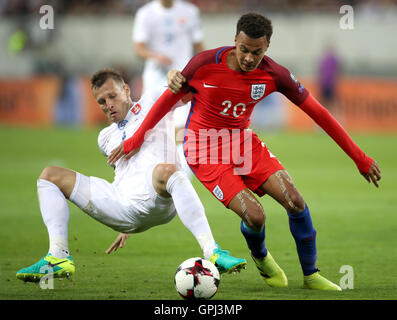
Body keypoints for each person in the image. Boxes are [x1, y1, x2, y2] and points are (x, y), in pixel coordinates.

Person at [108, 13, 382, 291]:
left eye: (257, 52)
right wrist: (135, 140)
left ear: (267, 47)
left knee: (295, 200)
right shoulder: (204, 64)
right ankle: (261, 257)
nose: (249, 58)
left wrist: (360, 158)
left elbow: (320, 114)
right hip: (204, 151)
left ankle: (311, 276)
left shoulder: (276, 74)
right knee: (255, 215)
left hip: (242, 143)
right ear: (235, 40)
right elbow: (166, 102)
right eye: (244, 50)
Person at [15, 69, 246, 282]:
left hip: (160, 195)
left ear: (126, 89)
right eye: (101, 102)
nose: (108, 105)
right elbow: (126, 174)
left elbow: (192, 86)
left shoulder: (153, 100)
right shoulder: (105, 138)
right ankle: (58, 256)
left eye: (112, 96)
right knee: (49, 176)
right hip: (122, 204)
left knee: (167, 170)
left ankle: (212, 252)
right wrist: (125, 226)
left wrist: (174, 75)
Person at [133, 0, 204, 179]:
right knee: (152, 129)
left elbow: (198, 46)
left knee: (181, 129)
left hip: (183, 78)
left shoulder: (190, 11)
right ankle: (151, 178)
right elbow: (139, 48)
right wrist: (155, 56)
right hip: (155, 78)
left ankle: (179, 180)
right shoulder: (146, 13)